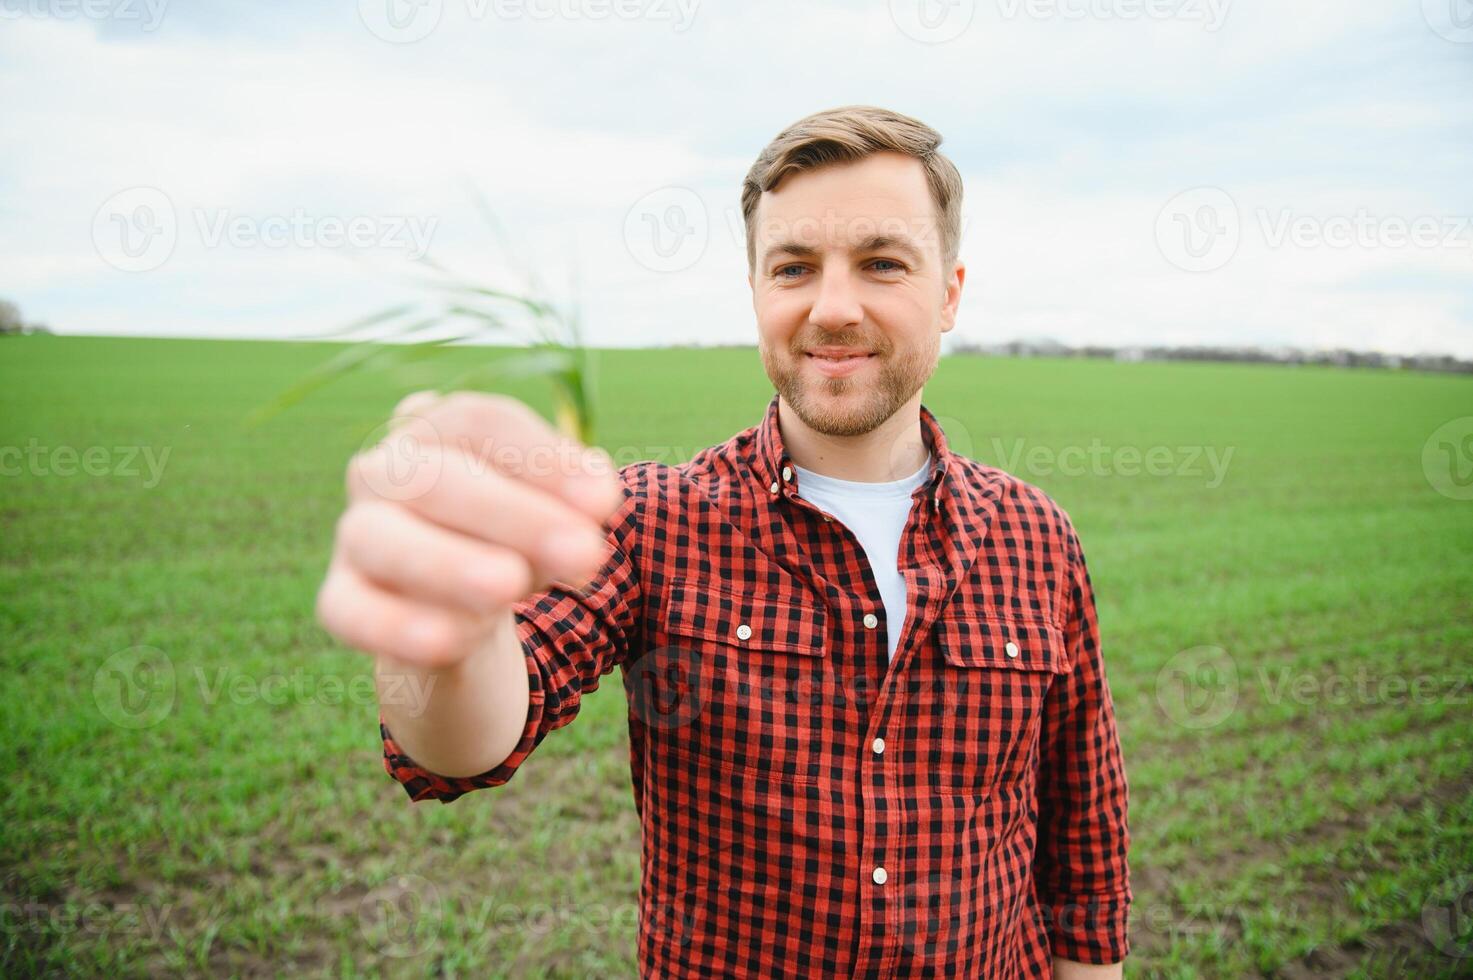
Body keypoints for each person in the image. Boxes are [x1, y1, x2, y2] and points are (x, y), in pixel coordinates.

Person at [316, 105, 1131, 978]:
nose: (832, 307)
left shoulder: (1035, 536)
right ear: (755, 292)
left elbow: (1082, 856)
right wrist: (450, 623)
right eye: (793, 267)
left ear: (951, 293)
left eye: (882, 263)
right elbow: (462, 748)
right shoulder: (652, 519)